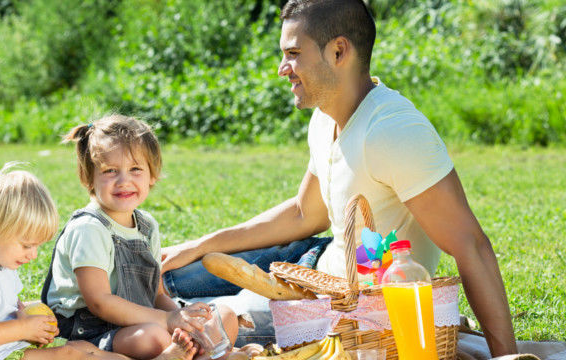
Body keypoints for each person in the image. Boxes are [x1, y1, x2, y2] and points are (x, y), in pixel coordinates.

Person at [159, 0, 518, 357]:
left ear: (338, 51)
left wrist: (506, 356)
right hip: (310, 264)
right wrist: (198, 245)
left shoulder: (393, 131)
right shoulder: (325, 118)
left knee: (186, 327)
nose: (283, 68)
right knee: (159, 276)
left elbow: (471, 246)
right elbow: (304, 214)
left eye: (294, 53)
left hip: (341, 313)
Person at [0, 164, 197, 360]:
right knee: (71, 355)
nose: (33, 255)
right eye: (26, 245)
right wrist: (22, 327)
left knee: (82, 350)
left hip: (0, 350)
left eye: (37, 246)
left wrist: (23, 315)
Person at [40, 115, 239, 360]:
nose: (124, 181)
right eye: (110, 171)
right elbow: (99, 302)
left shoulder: (146, 226)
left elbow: (155, 296)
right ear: (87, 177)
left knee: (224, 316)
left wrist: (184, 320)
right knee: (154, 338)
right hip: (89, 332)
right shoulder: (89, 228)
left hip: (143, 323)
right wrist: (167, 320)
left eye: (135, 169)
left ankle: (192, 353)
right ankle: (194, 355)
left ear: (152, 175)